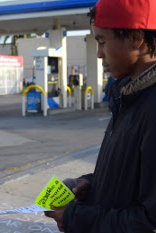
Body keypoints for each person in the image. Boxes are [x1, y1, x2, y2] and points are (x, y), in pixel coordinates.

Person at [45, 0, 156, 232]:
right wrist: (92, 184)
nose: (98, 54)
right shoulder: (128, 95)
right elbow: (131, 178)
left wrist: (75, 218)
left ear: (136, 39)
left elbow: (149, 222)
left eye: (102, 42)